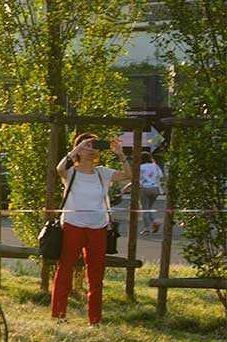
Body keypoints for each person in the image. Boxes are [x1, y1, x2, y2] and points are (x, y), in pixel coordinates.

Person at [50, 133, 123, 325]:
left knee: (96, 273)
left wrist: (120, 155)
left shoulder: (102, 173)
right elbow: (59, 169)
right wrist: (76, 149)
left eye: (94, 146)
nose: (91, 150)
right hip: (74, 225)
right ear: (79, 149)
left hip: (98, 227)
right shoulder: (71, 173)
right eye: (87, 146)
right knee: (65, 268)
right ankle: (59, 315)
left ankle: (95, 319)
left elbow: (129, 175)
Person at [137, 150, 164, 234]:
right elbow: (161, 175)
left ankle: (147, 228)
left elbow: (137, 178)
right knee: (149, 208)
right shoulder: (155, 166)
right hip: (155, 188)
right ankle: (155, 221)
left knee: (145, 209)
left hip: (145, 188)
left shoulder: (141, 167)